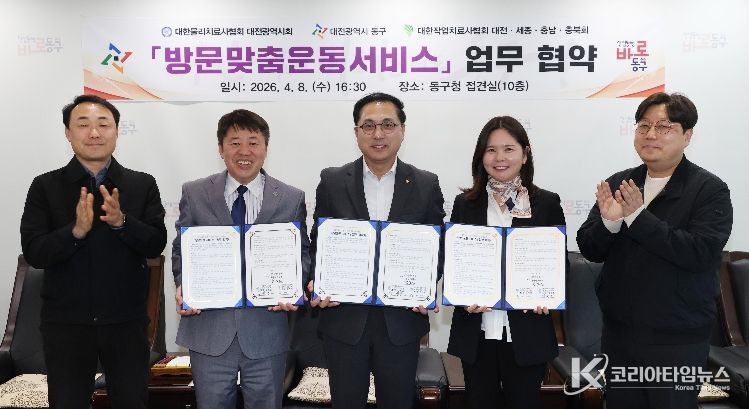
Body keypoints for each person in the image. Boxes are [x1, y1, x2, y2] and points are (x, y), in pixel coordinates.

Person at [577, 92, 733, 408]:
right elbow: (590, 248)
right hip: (620, 335)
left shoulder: (708, 189)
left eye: (663, 127)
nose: (650, 134)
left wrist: (637, 217)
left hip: (677, 340)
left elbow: (700, 252)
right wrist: (610, 223)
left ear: (687, 135)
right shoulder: (621, 182)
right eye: (644, 126)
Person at [19, 94, 167, 408]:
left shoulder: (141, 184)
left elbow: (156, 243)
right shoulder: (45, 186)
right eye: (83, 124)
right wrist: (75, 231)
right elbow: (34, 252)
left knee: (132, 402)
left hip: (126, 322)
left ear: (117, 131)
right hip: (66, 324)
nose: (94, 133)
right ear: (68, 133)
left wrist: (122, 222)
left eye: (103, 124)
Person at [308, 92, 445, 409]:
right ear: (356, 132)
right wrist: (316, 281)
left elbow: (436, 247)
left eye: (388, 124)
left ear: (402, 130)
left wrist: (425, 286)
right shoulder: (332, 181)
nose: (378, 134)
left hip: (400, 321)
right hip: (343, 319)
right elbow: (319, 243)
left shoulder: (425, 184)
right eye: (368, 126)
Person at [172, 109, 310, 409]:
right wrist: (184, 285)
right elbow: (182, 248)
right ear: (221, 149)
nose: (244, 152)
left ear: (266, 148)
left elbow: (301, 253)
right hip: (209, 329)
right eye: (235, 143)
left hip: (266, 330)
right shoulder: (194, 192)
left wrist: (294, 288)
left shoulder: (291, 197)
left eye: (253, 142)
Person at [446, 116, 564, 409]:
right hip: (477, 333)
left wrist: (548, 295)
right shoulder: (465, 204)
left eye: (508, 149)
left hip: (527, 334)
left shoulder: (546, 204)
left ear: (525, 154)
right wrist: (461, 295)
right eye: (491, 150)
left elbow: (559, 265)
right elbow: (455, 263)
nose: (499, 158)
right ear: (481, 156)